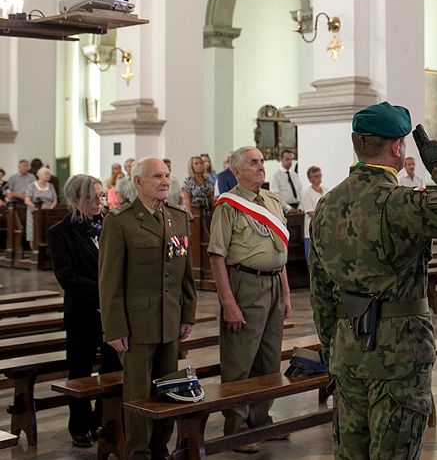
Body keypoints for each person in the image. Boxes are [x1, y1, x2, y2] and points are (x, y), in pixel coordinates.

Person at [310, 102, 437, 459]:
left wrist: (333, 349)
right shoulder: (401, 202)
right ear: (397, 147)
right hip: (399, 356)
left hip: (347, 352)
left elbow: (321, 292)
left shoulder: (326, 205)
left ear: (357, 143)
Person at [98, 157, 196, 460]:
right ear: (137, 182)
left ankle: (159, 450)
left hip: (169, 320)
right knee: (139, 396)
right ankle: (138, 453)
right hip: (136, 326)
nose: (165, 181)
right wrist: (114, 329)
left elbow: (184, 273)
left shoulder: (178, 217)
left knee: (169, 390)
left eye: (167, 175)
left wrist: (187, 316)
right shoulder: (120, 220)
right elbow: (109, 281)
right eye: (156, 176)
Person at [209, 146, 291, 453]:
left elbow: (278, 252)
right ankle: (236, 428)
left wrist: (284, 290)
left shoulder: (271, 200)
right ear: (236, 171)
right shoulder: (228, 206)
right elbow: (217, 257)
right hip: (244, 284)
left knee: (269, 359)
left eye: (261, 162)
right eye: (253, 163)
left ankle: (261, 420)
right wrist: (228, 303)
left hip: (272, 284)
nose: (260, 166)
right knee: (240, 360)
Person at [48, 174, 122, 448]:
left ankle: (102, 420)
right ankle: (79, 426)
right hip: (83, 312)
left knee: (113, 368)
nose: (99, 202)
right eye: (93, 197)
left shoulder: (109, 227)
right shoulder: (59, 233)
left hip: (113, 314)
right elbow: (68, 278)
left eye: (101, 196)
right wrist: (107, 291)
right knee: (79, 371)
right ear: (75, 199)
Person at [299, 165, 327, 266]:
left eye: (320, 175)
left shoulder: (326, 190)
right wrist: (326, 215)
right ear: (310, 179)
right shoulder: (306, 193)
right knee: (311, 261)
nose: (319, 178)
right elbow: (310, 212)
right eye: (316, 176)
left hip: (325, 229)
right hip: (312, 230)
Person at [25, 166, 58, 243]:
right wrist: (38, 207)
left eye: (49, 174)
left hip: (48, 212)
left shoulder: (51, 186)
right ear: (39, 175)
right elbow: (27, 200)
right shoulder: (31, 186)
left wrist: (51, 207)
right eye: (46, 174)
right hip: (35, 212)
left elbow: (55, 199)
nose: (48, 176)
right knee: (35, 231)